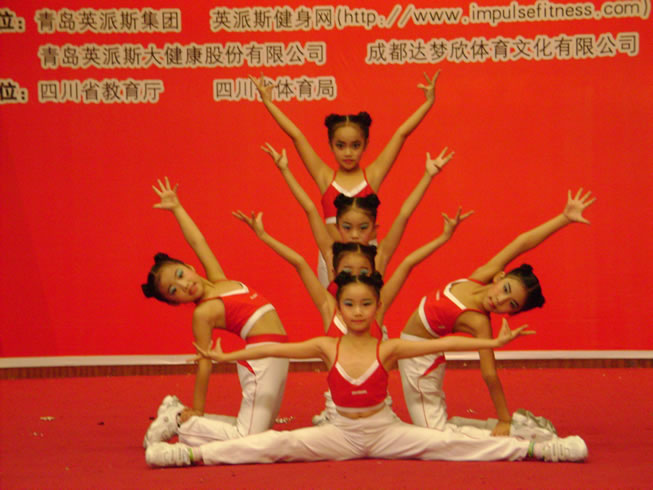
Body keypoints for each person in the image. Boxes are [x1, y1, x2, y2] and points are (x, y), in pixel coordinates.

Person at [145, 272, 588, 467]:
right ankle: (189, 455)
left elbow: (448, 343)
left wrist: (493, 343)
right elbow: (279, 350)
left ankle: (541, 449)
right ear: (339, 307)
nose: (358, 312)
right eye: (349, 304)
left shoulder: (389, 347)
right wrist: (225, 359)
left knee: (451, 444)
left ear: (377, 307)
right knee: (274, 444)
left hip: (385, 431)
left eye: (366, 305)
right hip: (339, 433)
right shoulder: (325, 345)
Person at [398, 188, 597, 439]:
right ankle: (518, 428)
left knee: (434, 437)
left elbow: (489, 373)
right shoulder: (480, 277)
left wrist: (504, 417)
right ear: (499, 277)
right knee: (437, 429)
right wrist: (563, 218)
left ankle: (529, 440)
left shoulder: (479, 321)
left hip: (420, 362)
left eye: (510, 305)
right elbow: (521, 243)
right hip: (416, 352)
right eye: (505, 289)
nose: (500, 300)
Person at [140, 177, 289, 448]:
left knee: (257, 433)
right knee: (251, 440)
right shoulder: (203, 313)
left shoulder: (218, 280)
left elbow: (198, 241)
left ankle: (178, 415)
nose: (184, 285)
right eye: (174, 291)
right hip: (261, 359)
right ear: (174, 302)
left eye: (180, 275)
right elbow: (205, 362)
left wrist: (177, 208)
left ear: (189, 267)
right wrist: (198, 407)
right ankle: (179, 421)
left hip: (278, 354)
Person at [250, 72, 439, 242]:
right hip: (330, 261)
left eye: (355, 145)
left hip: (367, 260)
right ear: (331, 145)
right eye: (340, 146)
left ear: (365, 145)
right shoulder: (325, 177)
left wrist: (428, 103)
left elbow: (401, 134)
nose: (348, 153)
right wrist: (268, 103)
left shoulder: (372, 176)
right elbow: (297, 136)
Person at [261, 142, 454, 283]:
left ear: (374, 230)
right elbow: (309, 210)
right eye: (347, 227)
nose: (354, 235)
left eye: (362, 228)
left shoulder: (379, 258)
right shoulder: (330, 258)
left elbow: (405, 215)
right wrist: (285, 170)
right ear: (338, 228)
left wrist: (428, 177)